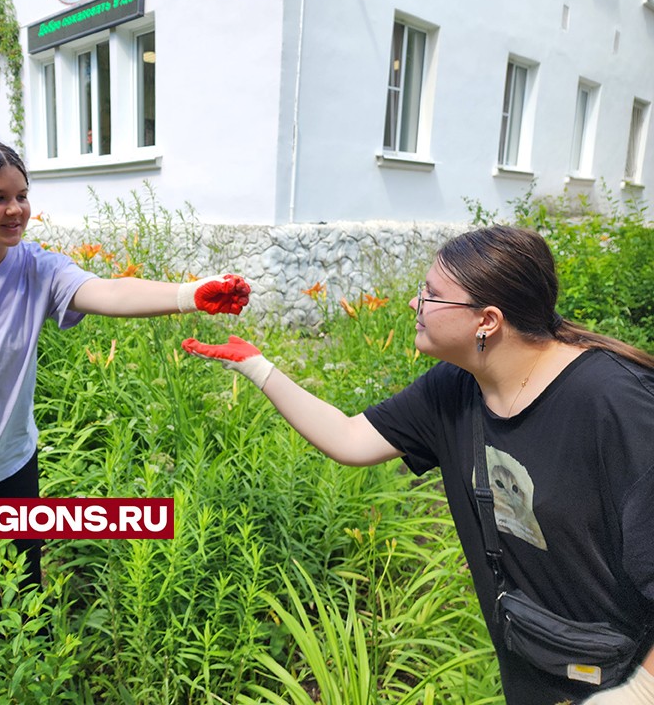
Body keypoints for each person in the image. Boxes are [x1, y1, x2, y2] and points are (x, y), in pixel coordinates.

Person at [0, 138, 251, 705]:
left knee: (13, 619)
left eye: (23, 196)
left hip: (5, 473)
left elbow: (107, 291)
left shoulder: (36, 268)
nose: (16, 210)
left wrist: (189, 293)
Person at [182, 225, 654, 705]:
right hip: (538, 663)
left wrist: (640, 690)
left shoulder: (615, 404)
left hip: (625, 674)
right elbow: (350, 439)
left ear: (486, 320)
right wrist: (259, 368)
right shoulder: (455, 387)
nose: (414, 304)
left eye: (432, 295)